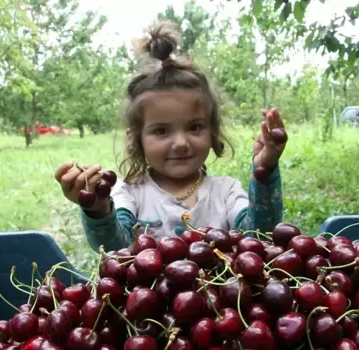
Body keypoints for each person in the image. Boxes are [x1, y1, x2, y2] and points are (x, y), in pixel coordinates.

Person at [54, 20, 288, 254]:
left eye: (195, 127)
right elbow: (116, 247)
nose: (180, 143)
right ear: (137, 141)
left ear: (213, 133)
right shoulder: (129, 195)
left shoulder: (225, 193)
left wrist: (264, 170)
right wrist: (97, 207)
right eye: (161, 131)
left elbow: (259, 236)